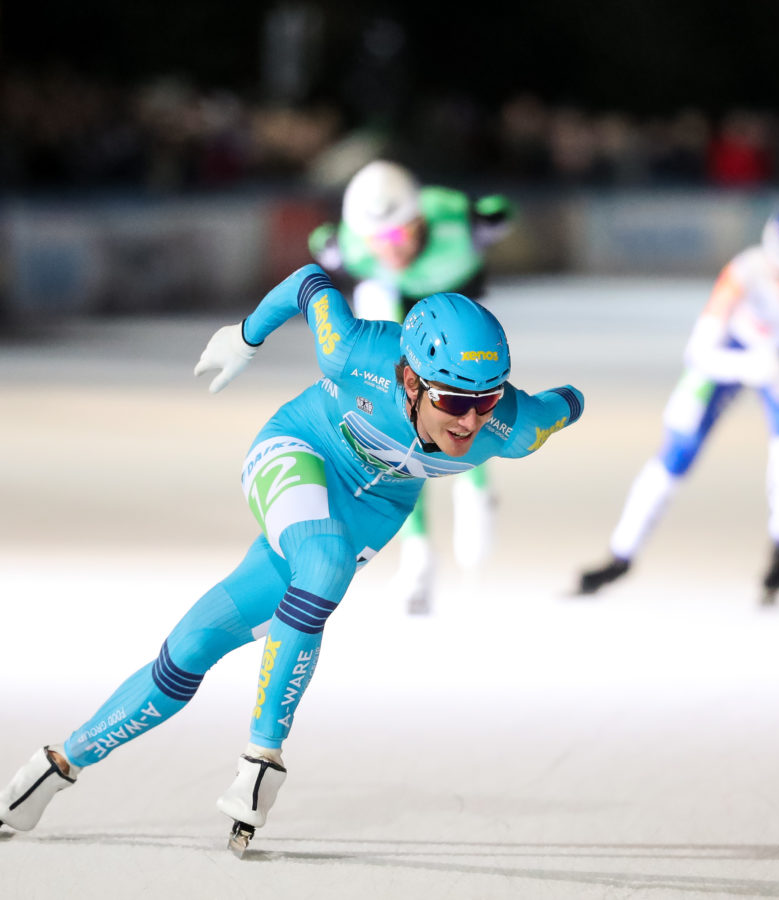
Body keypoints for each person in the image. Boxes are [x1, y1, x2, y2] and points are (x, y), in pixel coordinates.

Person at [0, 269, 583, 854]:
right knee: (324, 563)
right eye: (454, 400)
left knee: (189, 651)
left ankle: (50, 769)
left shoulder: (514, 428)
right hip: (300, 450)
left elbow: (564, 405)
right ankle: (263, 757)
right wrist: (246, 336)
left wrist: (568, 402)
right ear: (409, 378)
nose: (470, 422)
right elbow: (310, 281)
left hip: (369, 511)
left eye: (485, 400)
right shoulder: (353, 351)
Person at [575, 205, 779, 604]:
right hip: (734, 352)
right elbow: (699, 353)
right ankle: (621, 554)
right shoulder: (744, 274)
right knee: (678, 446)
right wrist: (754, 365)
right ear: (770, 262)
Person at [310, 160, 516, 615]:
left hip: (457, 306)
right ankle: (418, 550)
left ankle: (475, 484)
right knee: (400, 423)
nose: (389, 250)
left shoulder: (456, 219)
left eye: (399, 236)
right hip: (395, 307)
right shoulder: (353, 248)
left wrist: (487, 222)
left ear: (420, 220)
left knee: (464, 397)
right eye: (375, 242)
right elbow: (325, 245)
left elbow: (499, 212)